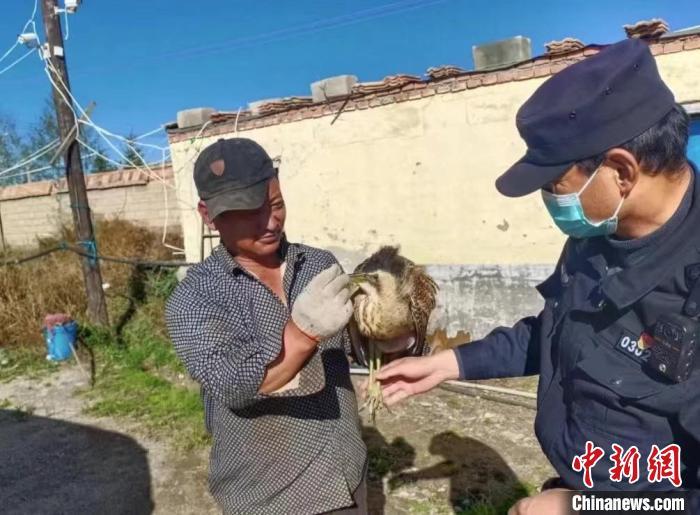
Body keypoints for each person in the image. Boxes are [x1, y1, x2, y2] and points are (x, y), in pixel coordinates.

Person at [373, 39, 700, 514]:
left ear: (621, 171)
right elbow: (559, 330)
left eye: (555, 186)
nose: (549, 201)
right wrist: (449, 364)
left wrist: (578, 509)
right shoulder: (595, 239)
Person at [165, 138, 407, 514]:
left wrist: (391, 331)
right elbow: (237, 385)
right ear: (207, 215)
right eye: (250, 211)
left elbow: (353, 344)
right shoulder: (195, 298)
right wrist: (303, 333)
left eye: (275, 204)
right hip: (271, 496)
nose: (270, 221)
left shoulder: (318, 265)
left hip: (346, 474)